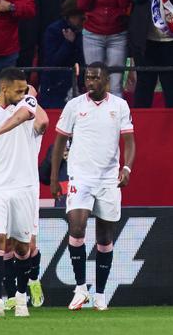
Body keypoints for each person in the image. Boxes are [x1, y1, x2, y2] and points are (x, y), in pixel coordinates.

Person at [49, 62, 136, 311]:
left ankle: (100, 294)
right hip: (80, 177)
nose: (90, 82)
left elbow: (129, 141)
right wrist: (55, 177)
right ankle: (80, 288)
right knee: (76, 228)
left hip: (109, 179)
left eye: (96, 78)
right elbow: (59, 142)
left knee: (105, 237)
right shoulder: (74, 106)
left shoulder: (119, 106)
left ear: (106, 80)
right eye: (88, 78)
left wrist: (127, 168)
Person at [0, 67, 48, 317]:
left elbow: (36, 119)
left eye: (26, 89)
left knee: (23, 247)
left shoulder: (27, 103)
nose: (23, 92)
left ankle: (21, 297)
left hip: (24, 187)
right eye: (18, 89)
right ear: (4, 89)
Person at [77, 0, 129, 97]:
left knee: (115, 82)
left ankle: (117, 118)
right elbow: (82, 5)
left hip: (117, 35)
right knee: (93, 80)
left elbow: (124, 5)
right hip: (93, 34)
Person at [40, 0, 84, 108]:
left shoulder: (81, 32)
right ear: (71, 15)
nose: (83, 20)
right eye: (80, 17)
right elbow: (53, 61)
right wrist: (68, 43)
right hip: (54, 83)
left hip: (72, 82)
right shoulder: (54, 30)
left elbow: (82, 59)